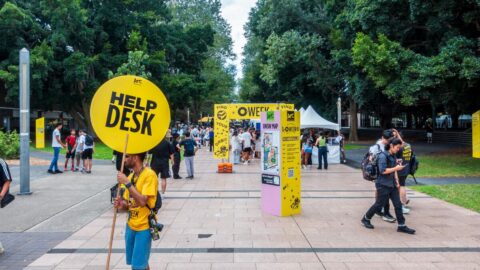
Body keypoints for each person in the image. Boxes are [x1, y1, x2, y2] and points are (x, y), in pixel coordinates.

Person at [361, 138, 416, 234]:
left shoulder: (393, 155)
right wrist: (396, 168)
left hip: (392, 184)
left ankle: (401, 225)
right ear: (391, 146)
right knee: (379, 204)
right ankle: (366, 218)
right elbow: (383, 171)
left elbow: (394, 170)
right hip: (383, 184)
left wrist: (397, 181)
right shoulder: (383, 156)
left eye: (399, 148)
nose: (398, 149)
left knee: (398, 205)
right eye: (397, 147)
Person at [114, 152, 158, 270]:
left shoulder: (149, 175)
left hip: (144, 227)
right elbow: (129, 204)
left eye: (127, 157)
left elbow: (143, 202)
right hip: (131, 225)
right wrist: (120, 204)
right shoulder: (131, 176)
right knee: (140, 263)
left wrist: (127, 183)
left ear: (136, 157)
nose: (124, 160)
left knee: (137, 266)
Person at [396, 137, 413, 214]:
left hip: (400, 168)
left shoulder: (399, 147)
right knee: (401, 185)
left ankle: (402, 203)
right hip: (406, 168)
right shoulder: (408, 145)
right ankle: (404, 200)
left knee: (401, 185)